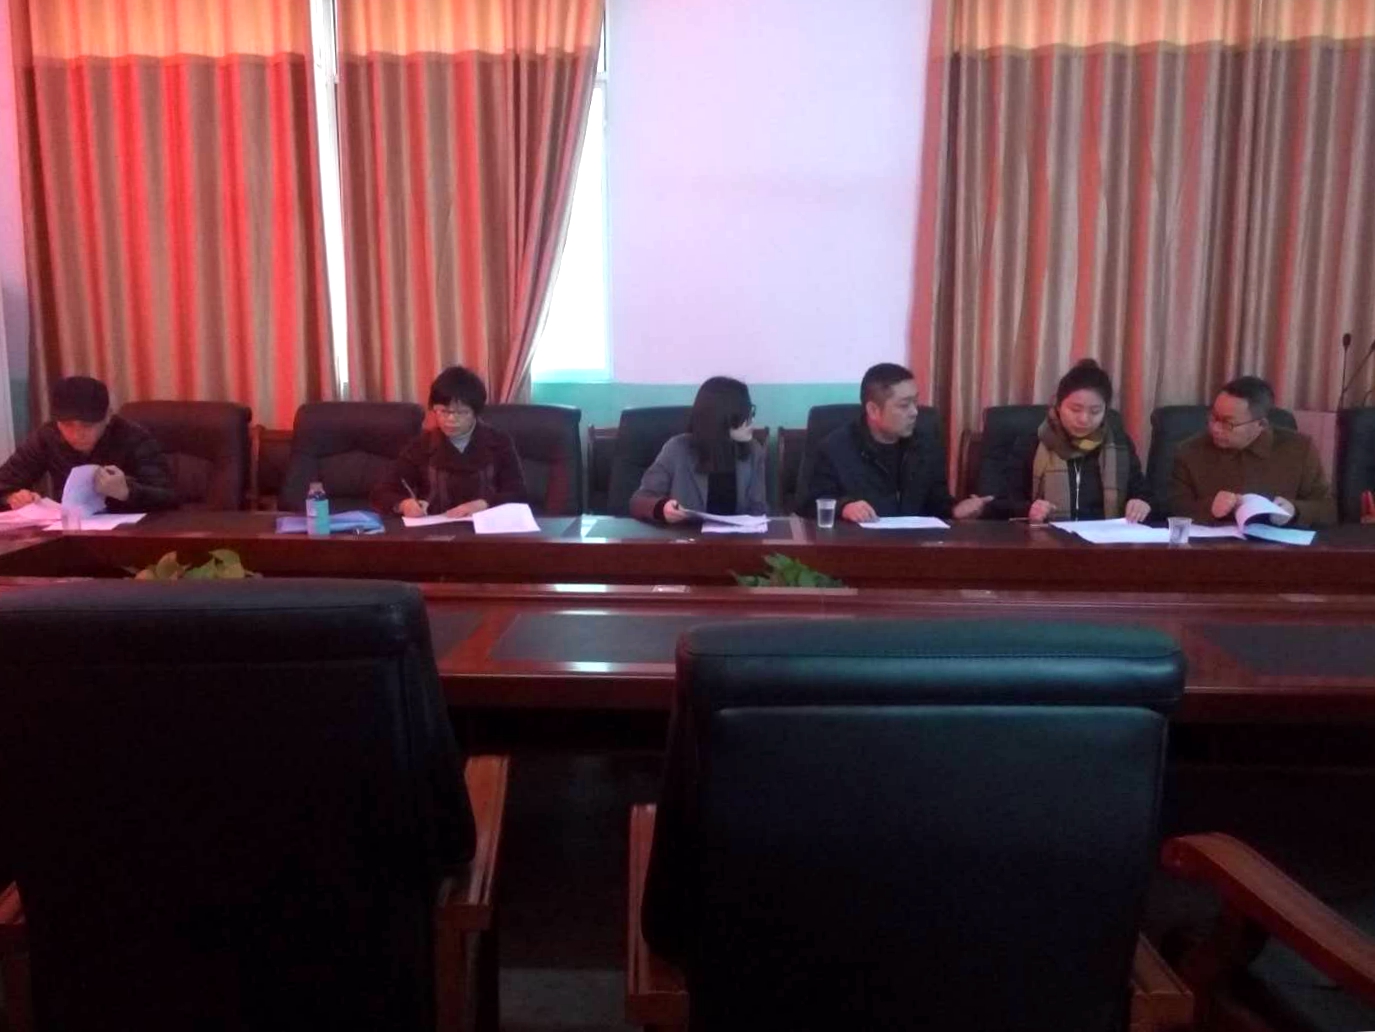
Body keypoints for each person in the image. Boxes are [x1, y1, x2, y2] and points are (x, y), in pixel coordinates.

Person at [798, 363, 991, 523]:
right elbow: (809, 506)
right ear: (873, 410)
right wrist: (845, 507)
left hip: (913, 548)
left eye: (915, 402)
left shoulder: (926, 446)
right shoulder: (836, 448)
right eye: (904, 405)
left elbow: (937, 502)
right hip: (858, 548)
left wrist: (955, 509)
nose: (914, 412)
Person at [990, 359, 1151, 523]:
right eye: (1075, 409)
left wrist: (1141, 503)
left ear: (1105, 411)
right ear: (1058, 405)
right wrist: (1028, 509)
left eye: (1095, 411)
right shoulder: (1032, 443)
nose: (1084, 419)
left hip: (1106, 537)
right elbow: (1002, 503)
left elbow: (1143, 493)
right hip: (1047, 536)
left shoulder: (1119, 444)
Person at [1169, 376, 1335, 527]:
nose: (1215, 429)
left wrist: (1295, 511)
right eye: (1213, 418)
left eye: (1228, 423)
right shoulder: (1189, 451)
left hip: (1278, 546)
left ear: (1261, 425)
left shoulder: (1300, 449)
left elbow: (1328, 510)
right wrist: (1209, 507)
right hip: (1212, 546)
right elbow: (1173, 508)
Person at [0, 375, 177, 512]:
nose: (77, 434)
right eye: (67, 425)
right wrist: (12, 497)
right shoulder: (47, 437)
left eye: (87, 425)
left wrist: (127, 492)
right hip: (69, 533)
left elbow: (169, 496)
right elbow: (4, 481)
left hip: (127, 534)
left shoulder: (133, 437)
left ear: (108, 416)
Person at [371, 366, 526, 517]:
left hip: (486, 525)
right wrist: (404, 504)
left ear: (476, 412)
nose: (451, 419)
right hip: (435, 527)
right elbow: (382, 492)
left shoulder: (499, 442)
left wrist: (485, 504)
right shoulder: (421, 446)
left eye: (461, 412)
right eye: (443, 411)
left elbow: (518, 492)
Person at [631, 376, 767, 523]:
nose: (752, 421)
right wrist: (661, 508)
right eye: (745, 414)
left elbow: (758, 509)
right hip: (686, 536)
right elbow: (639, 500)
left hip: (737, 537)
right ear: (721, 417)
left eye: (750, 412)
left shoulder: (754, 452)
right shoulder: (677, 449)